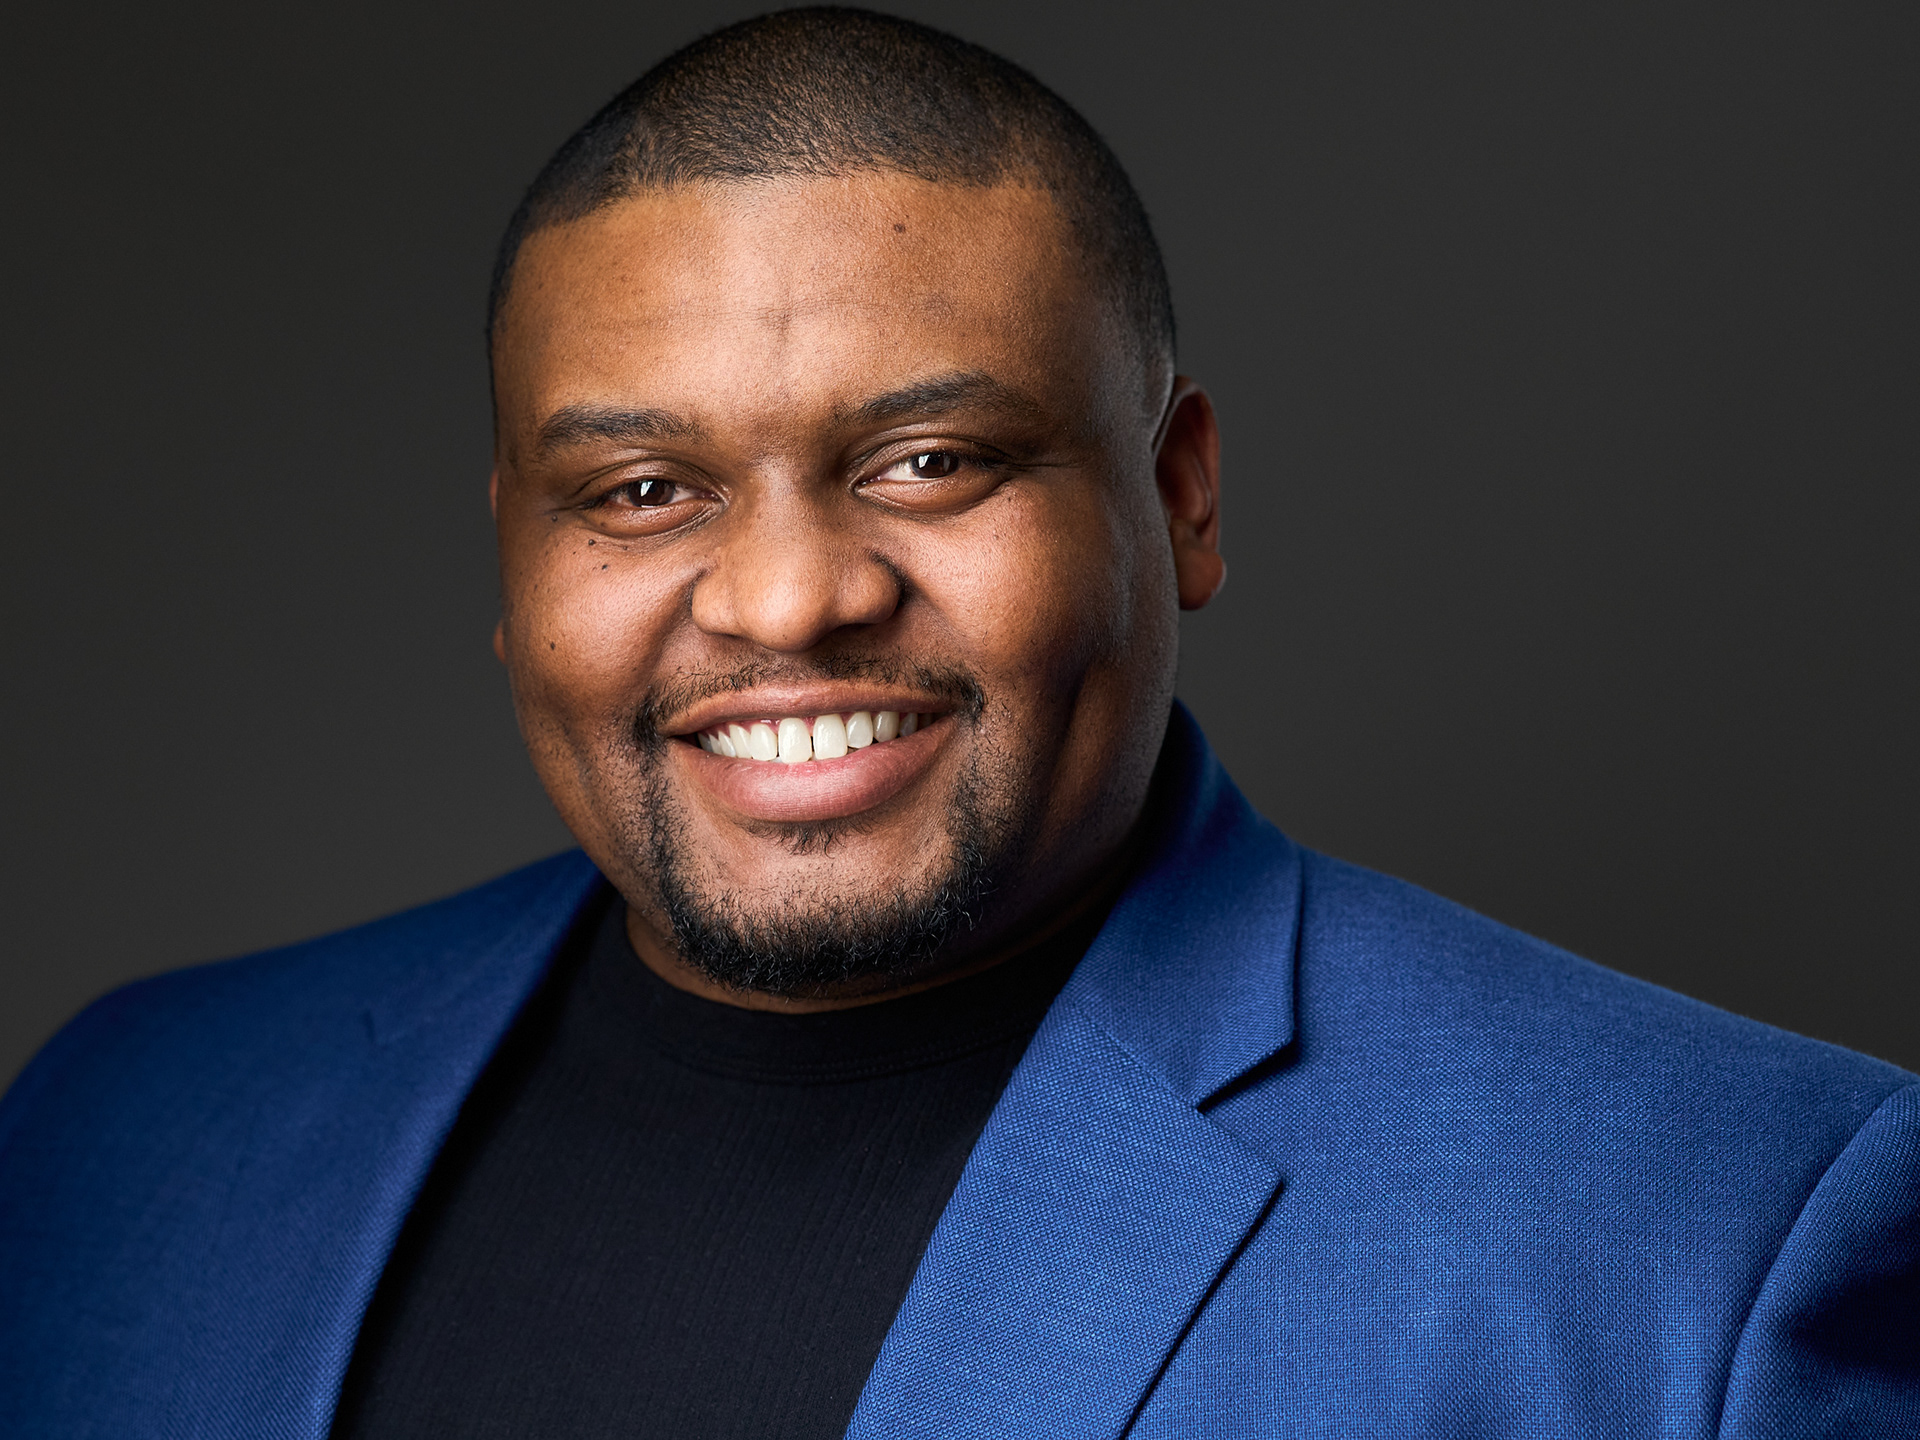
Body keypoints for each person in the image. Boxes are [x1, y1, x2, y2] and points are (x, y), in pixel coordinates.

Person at [1, 8, 1915, 1436]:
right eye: (644, 492)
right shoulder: (126, 1129)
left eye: (929, 460)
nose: (785, 600)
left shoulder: (1713, 1242)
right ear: (512, 554)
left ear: (1180, 497)